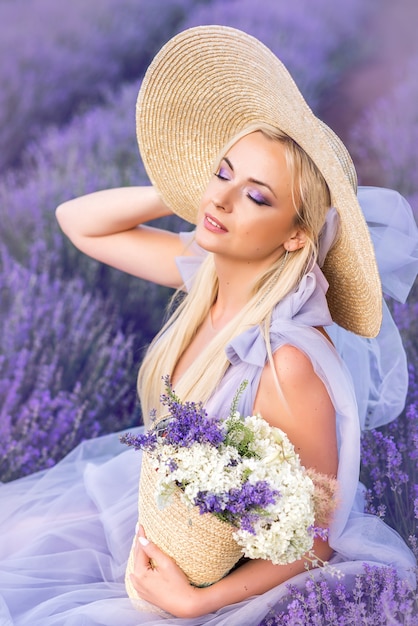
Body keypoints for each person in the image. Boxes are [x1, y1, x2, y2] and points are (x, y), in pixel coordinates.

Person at [1, 25, 417, 626]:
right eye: (223, 174)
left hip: (211, 579)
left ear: (296, 235)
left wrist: (197, 601)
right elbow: (78, 222)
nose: (222, 202)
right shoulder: (207, 277)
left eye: (258, 197)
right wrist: (191, 191)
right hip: (159, 517)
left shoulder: (289, 359)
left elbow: (318, 535)